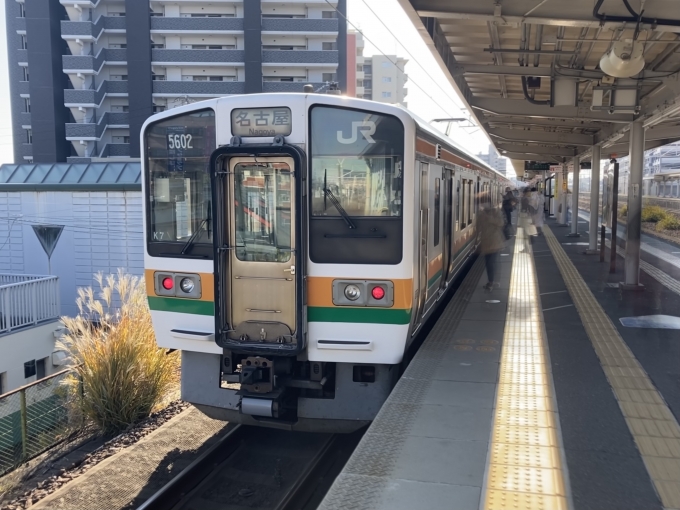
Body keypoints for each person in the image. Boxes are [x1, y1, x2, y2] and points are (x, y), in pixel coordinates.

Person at [476, 192, 505, 291]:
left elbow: (500, 223)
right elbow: (478, 227)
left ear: (489, 202)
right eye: (481, 203)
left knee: (492, 262)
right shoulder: (481, 214)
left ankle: (492, 282)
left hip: (495, 241)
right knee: (489, 263)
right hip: (485, 242)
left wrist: (488, 218)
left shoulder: (496, 212)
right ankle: (493, 281)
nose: (483, 204)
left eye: (484, 202)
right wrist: (476, 241)